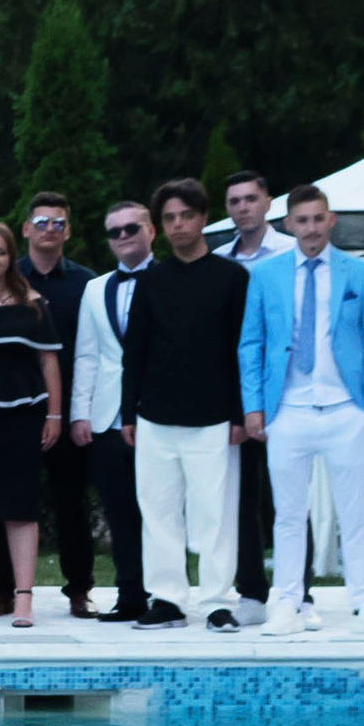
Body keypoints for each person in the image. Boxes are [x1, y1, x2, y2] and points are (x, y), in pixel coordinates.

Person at [242, 185, 364, 636]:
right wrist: (254, 407)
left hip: (345, 407)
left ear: (331, 221)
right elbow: (251, 344)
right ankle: (288, 604)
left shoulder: (356, 273)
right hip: (287, 409)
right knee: (289, 514)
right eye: (302, 220)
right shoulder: (267, 275)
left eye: (317, 219)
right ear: (289, 224)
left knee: (355, 511)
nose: (310, 228)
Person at [122, 177, 253, 631]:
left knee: (215, 514)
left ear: (202, 218)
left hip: (214, 416)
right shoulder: (151, 281)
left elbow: (242, 350)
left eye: (186, 216)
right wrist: (128, 413)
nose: (178, 225)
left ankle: (217, 601)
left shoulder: (232, 278)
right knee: (158, 512)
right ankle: (168, 599)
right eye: (169, 218)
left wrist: (239, 414)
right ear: (160, 226)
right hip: (154, 415)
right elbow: (134, 351)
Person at [0, 221, 63, 627]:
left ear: (11, 256)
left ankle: (23, 598)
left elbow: (48, 361)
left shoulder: (33, 304)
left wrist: (54, 414)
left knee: (20, 510)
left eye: (0, 251)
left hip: (22, 418)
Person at [2, 193, 97, 618]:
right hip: (13, 408)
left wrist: (79, 411)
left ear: (68, 231)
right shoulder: (3, 278)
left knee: (71, 501)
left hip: (68, 411)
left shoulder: (86, 284)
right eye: (41, 222)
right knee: (10, 499)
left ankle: (79, 588)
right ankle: (4, 588)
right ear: (25, 229)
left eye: (58, 223)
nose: (49, 230)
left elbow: (92, 351)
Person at [69, 199, 155, 621]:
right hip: (104, 417)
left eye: (131, 228)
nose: (123, 237)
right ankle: (129, 596)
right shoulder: (95, 287)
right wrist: (78, 413)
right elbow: (86, 355)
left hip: (158, 416)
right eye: (114, 231)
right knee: (119, 513)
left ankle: (165, 596)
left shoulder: (170, 279)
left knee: (159, 512)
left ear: (150, 231)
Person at [215, 169, 290, 625]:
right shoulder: (220, 261)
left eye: (250, 198)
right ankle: (252, 593)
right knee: (241, 499)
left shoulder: (290, 252)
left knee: (287, 496)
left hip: (285, 393)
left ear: (267, 202)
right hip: (235, 395)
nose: (242, 207)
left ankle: (296, 593)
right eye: (234, 201)